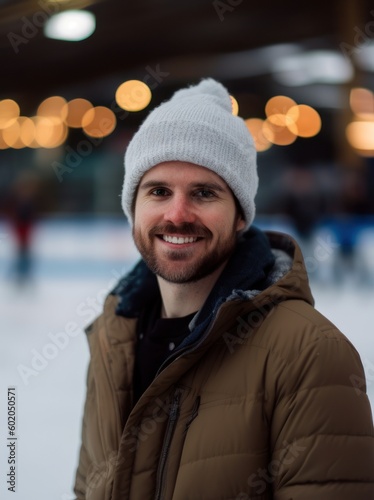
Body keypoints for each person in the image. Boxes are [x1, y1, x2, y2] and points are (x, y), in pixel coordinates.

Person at [73, 79, 374, 499]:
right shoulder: (111, 342)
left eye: (204, 193)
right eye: (158, 191)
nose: (177, 215)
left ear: (239, 217)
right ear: (133, 208)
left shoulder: (311, 354)